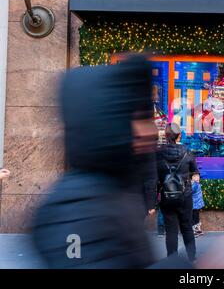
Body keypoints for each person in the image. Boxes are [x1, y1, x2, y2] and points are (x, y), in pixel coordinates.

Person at [31, 55, 159, 268]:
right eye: (140, 118)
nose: (150, 131)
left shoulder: (112, 189)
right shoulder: (75, 213)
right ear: (109, 123)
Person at [157, 122, 199, 262]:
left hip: (166, 196)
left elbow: (153, 178)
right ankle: (192, 257)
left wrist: (151, 200)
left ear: (165, 135)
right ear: (179, 135)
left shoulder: (158, 154)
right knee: (187, 227)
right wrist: (193, 178)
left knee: (171, 231)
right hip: (184, 196)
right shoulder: (187, 152)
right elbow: (195, 172)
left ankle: (172, 260)